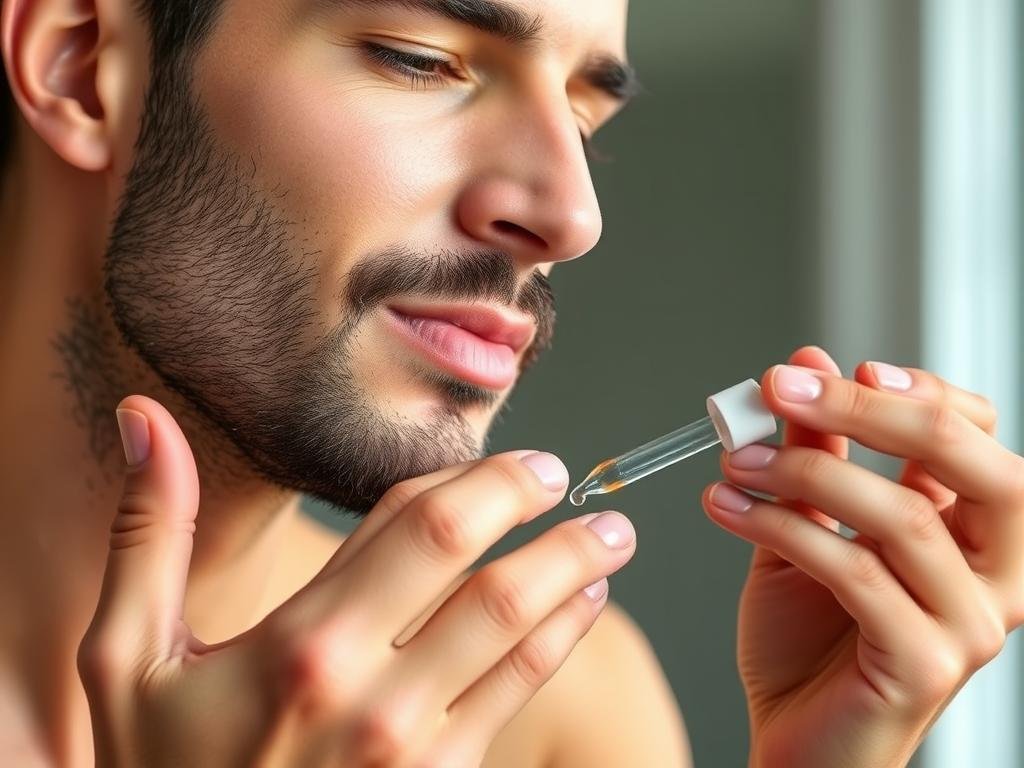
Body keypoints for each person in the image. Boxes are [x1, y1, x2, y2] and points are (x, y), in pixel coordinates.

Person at [1, 0, 1022, 765]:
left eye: (584, 114)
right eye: (423, 61)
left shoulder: (559, 709)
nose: (571, 217)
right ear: (84, 64)